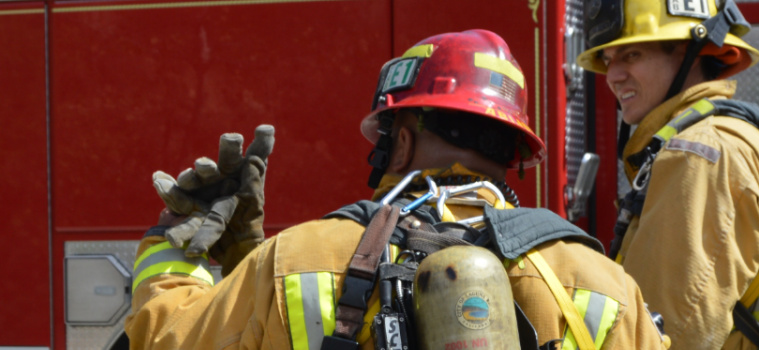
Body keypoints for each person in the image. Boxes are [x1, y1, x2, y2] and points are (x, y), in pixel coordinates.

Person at [124, 29, 666, 350]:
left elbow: (171, 337)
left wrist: (171, 245)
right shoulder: (603, 283)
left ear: (400, 144)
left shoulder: (299, 256)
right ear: (513, 152)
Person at [576, 0, 759, 348]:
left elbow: (659, 336)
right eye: (608, 61)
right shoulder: (728, 138)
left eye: (632, 55)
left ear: (687, 51)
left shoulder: (699, 156)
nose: (613, 76)